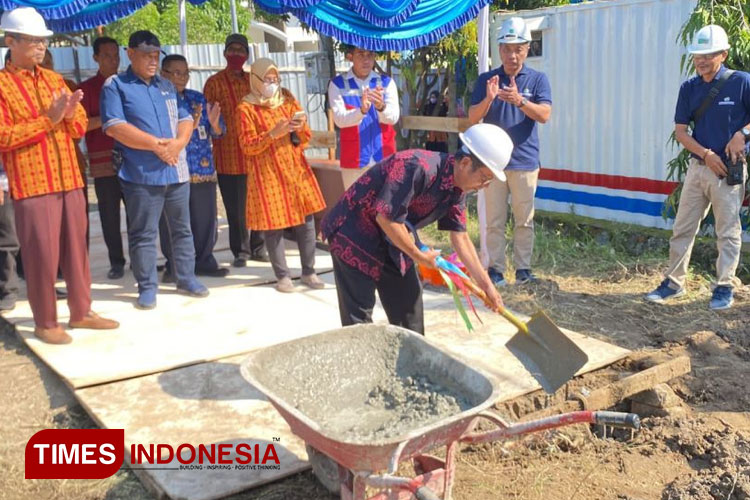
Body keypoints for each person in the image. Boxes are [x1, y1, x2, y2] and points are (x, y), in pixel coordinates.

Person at [320, 123, 511, 335]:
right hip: (354, 235)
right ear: (465, 162)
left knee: (409, 309)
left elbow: (461, 237)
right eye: (484, 178)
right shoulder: (416, 166)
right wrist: (419, 256)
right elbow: (386, 218)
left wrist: (487, 286)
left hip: (393, 240)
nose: (485, 185)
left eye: (489, 181)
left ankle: (410, 363)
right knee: (359, 322)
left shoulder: (457, 190)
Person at [0, 7, 118, 344]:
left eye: (42, 41)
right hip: (33, 182)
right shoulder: (2, 86)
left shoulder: (54, 80)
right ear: (11, 41)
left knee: (76, 250)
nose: (39, 47)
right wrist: (48, 119)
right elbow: (4, 137)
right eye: (32, 41)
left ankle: (82, 312)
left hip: (69, 178)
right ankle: (46, 321)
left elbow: (80, 126)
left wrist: (66, 115)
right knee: (41, 254)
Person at [100, 30, 208, 310]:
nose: (151, 60)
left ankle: (186, 278)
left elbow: (185, 118)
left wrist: (179, 144)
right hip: (141, 174)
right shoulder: (116, 85)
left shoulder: (166, 85)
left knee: (183, 230)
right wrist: (155, 146)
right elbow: (114, 126)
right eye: (146, 54)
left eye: (155, 55)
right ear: (130, 53)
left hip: (176, 171)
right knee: (144, 233)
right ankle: (147, 286)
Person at [645, 24, 750, 311]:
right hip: (699, 167)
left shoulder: (741, 82)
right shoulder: (689, 88)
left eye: (708, 54)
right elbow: (681, 132)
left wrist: (743, 134)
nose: (701, 60)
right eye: (697, 55)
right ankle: (673, 283)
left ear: (724, 54)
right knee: (683, 227)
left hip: (729, 169)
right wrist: (706, 154)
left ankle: (724, 286)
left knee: (727, 231)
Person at [469, 17, 552, 287]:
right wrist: (489, 98)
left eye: (518, 48)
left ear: (527, 49)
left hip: (525, 162)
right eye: (506, 48)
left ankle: (523, 269)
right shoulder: (487, 80)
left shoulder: (538, 80)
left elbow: (544, 115)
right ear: (500, 49)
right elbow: (472, 117)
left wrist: (521, 101)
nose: (512, 55)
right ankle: (495, 269)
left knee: (524, 220)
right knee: (494, 220)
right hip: (492, 164)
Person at [236, 58, 327, 293]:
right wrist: (273, 133)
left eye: (275, 79)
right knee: (273, 225)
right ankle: (283, 276)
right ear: (255, 80)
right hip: (267, 173)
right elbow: (247, 146)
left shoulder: (286, 98)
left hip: (295, 168)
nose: (272, 84)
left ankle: (309, 271)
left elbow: (305, 137)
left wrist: (299, 125)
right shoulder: (245, 108)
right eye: (267, 79)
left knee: (306, 222)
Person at [158, 54, 229, 279]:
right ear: (163, 74)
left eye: (185, 73)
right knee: (173, 223)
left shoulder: (198, 99)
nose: (181, 78)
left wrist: (216, 124)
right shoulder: (156, 101)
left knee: (205, 220)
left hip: (201, 170)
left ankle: (204, 260)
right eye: (176, 73)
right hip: (170, 171)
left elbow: (218, 133)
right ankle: (175, 266)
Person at [203, 34, 267, 268]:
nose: (236, 54)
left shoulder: (255, 81)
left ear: (247, 55)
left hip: (257, 154)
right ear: (224, 53)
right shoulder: (214, 82)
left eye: (241, 50)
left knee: (258, 202)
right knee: (235, 208)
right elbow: (207, 118)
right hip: (229, 156)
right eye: (232, 49)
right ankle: (241, 251)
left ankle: (259, 247)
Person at [79, 37, 127, 280]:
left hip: (132, 161)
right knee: (109, 216)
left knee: (140, 214)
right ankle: (116, 262)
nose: (113, 60)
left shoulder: (130, 83)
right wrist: (109, 120)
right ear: (95, 57)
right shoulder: (86, 89)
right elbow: (79, 126)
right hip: (104, 163)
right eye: (107, 55)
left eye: (116, 55)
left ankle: (143, 260)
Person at [328, 44, 400, 169]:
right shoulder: (337, 84)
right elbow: (339, 120)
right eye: (360, 54)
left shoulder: (387, 83)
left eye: (370, 55)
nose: (366, 60)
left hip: (384, 157)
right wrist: (361, 111)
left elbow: (393, 118)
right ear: (350, 57)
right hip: (354, 159)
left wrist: (381, 107)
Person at [0, 160, 19, 312]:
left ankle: (42, 286)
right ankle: (8, 290)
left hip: (30, 182)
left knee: (35, 237)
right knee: (8, 239)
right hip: (4, 183)